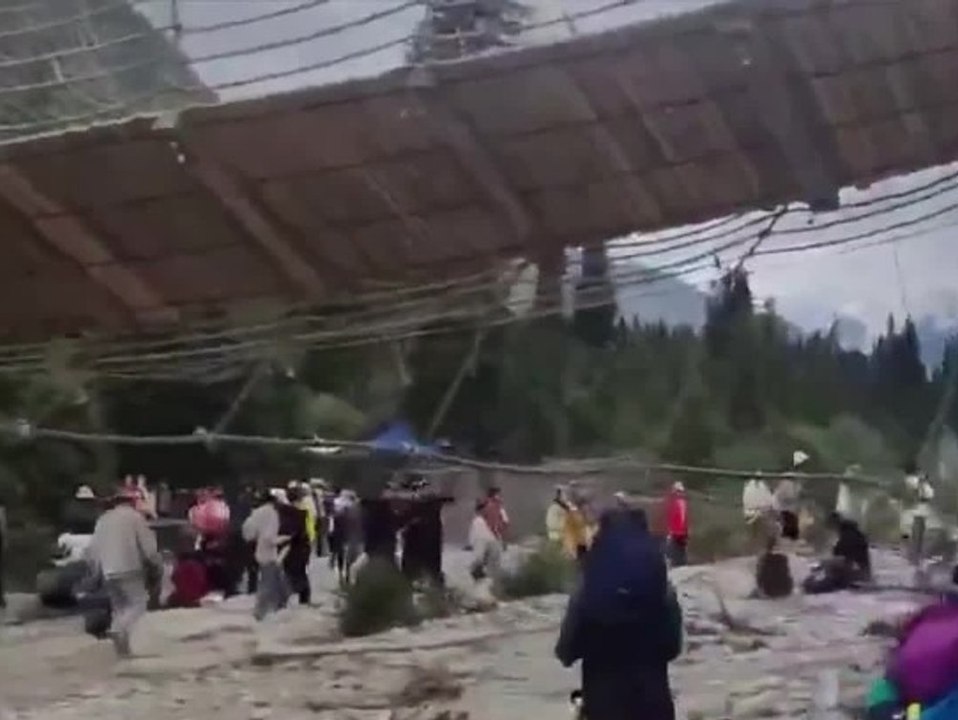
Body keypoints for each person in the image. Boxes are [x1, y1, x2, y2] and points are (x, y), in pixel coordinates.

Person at [556, 508, 682, 720]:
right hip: (653, 703)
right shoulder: (660, 586)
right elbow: (673, 647)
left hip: (603, 704)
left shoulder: (589, 586)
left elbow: (566, 651)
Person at [87, 486, 162, 657]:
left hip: (108, 571)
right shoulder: (135, 518)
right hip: (130, 569)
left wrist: (96, 573)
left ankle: (123, 652)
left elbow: (92, 551)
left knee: (120, 609)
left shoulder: (103, 520)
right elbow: (149, 549)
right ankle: (117, 630)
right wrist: (156, 565)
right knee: (138, 604)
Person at [242, 489, 289, 620]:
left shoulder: (257, 513)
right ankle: (260, 612)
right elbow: (269, 538)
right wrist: (283, 539)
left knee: (279, 582)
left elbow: (248, 531)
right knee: (268, 584)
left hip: (260, 551)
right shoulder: (272, 514)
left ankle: (280, 606)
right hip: (268, 553)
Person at [280, 486, 312, 606]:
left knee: (290, 573)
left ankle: (286, 598)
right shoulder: (301, 514)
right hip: (300, 547)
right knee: (299, 574)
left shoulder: (283, 512)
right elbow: (303, 532)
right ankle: (303, 598)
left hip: (290, 547)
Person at [829, 511, 872, 581]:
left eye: (831, 525)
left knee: (835, 564)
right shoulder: (851, 532)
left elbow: (841, 550)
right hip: (862, 570)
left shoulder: (848, 534)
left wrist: (835, 552)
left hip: (858, 570)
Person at [167, 542, 210, 609]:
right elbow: (205, 584)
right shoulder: (200, 566)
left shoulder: (181, 566)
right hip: (196, 597)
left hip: (182, 597)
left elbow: (174, 579)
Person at [469, 500, 502, 582]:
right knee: (480, 559)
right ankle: (477, 575)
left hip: (490, 545)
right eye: (484, 509)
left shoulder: (490, 521)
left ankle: (491, 579)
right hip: (482, 543)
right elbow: (476, 537)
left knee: (492, 561)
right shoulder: (478, 521)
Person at [664, 482, 689, 567]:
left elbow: (677, 519)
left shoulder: (677, 503)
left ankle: (672, 565)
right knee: (680, 552)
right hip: (681, 533)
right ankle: (681, 565)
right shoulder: (682, 503)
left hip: (677, 533)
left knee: (670, 552)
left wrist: (670, 532)